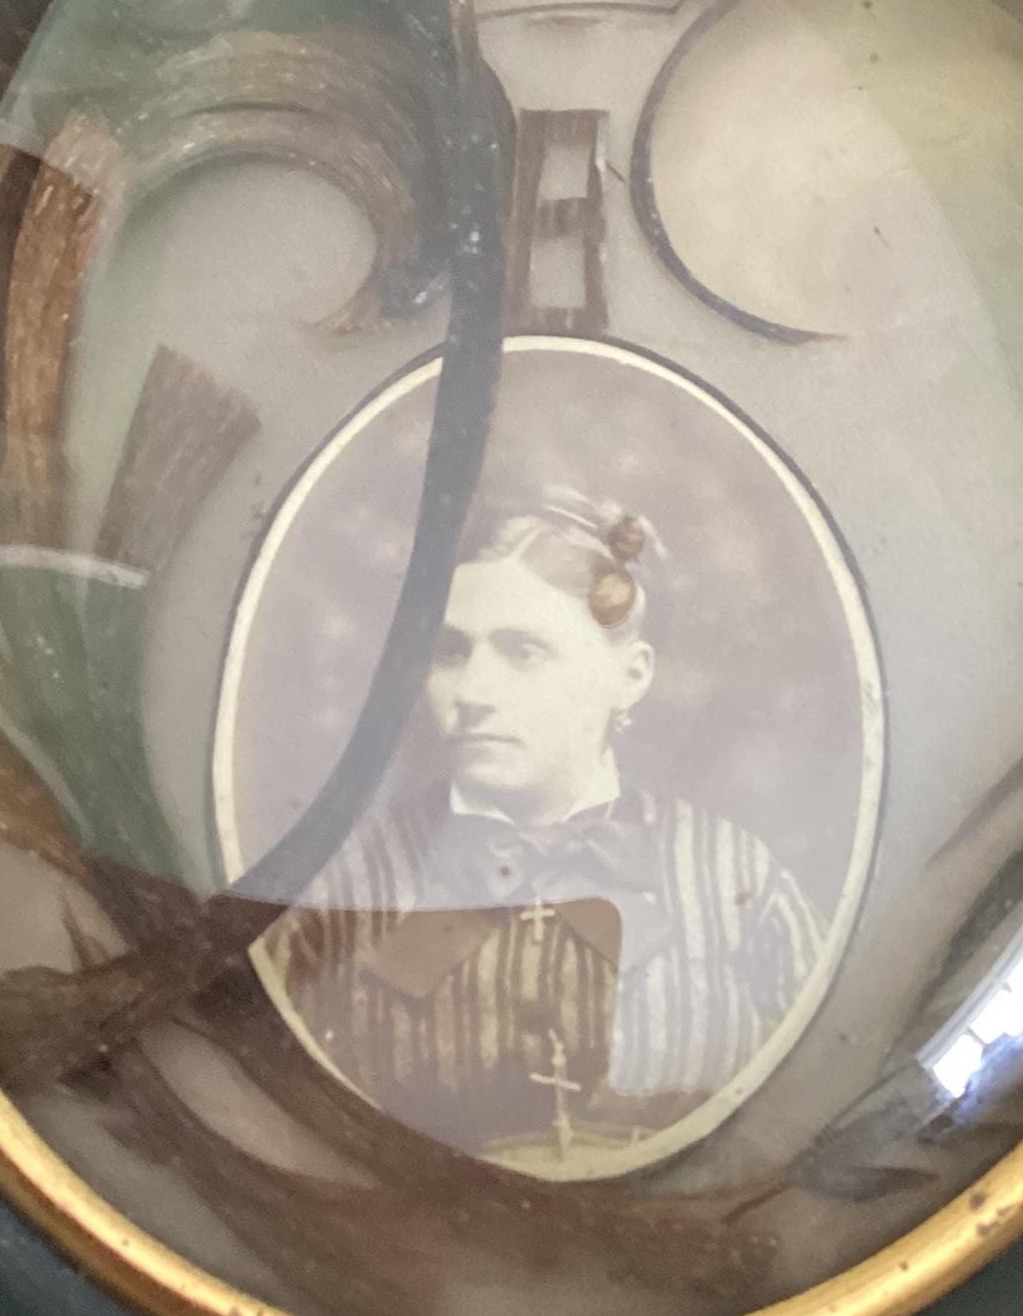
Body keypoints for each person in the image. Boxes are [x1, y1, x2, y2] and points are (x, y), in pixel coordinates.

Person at [269, 491, 825, 1173]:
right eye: (451, 653)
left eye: (522, 651)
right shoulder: (346, 886)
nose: (473, 691)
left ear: (629, 676)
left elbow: (815, 1110)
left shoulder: (733, 878)